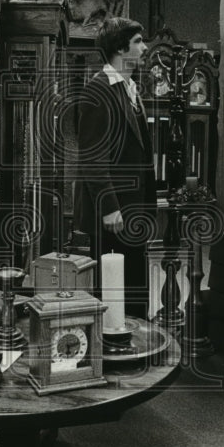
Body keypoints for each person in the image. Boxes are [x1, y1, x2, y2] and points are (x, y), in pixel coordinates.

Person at [74, 17, 155, 320]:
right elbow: (92, 158)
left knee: (133, 283)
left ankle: (135, 341)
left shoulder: (130, 88)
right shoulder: (100, 90)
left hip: (133, 209)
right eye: (138, 42)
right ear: (121, 48)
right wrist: (109, 207)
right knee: (113, 290)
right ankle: (111, 348)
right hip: (114, 213)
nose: (144, 47)